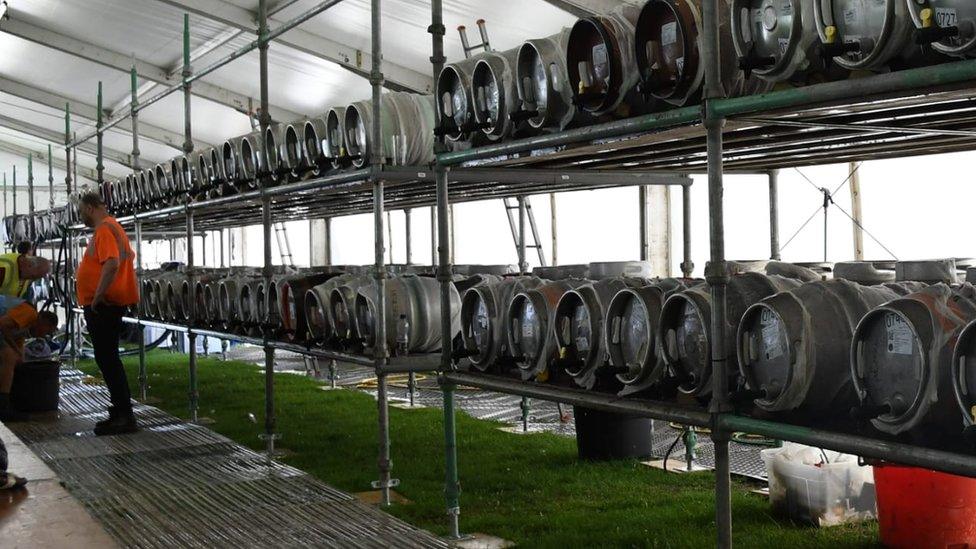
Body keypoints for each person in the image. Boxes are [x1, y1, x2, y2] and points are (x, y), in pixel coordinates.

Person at [76, 191, 140, 436]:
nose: (81, 215)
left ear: (91, 208)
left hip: (104, 305)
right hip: (108, 304)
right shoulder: (113, 227)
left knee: (108, 359)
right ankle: (120, 411)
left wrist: (99, 295)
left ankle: (124, 415)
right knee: (108, 358)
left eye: (82, 210)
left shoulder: (104, 229)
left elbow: (112, 263)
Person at [0, 298, 58, 421]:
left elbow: (17, 344)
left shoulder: (26, 326)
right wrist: (15, 351)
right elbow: (2, 325)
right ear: (43, 323)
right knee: (9, 357)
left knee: (14, 360)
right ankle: (3, 407)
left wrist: (20, 357)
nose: (43, 336)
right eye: (46, 332)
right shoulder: (29, 313)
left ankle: (9, 399)